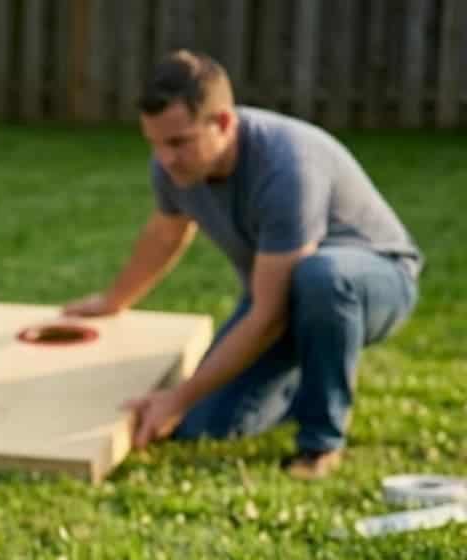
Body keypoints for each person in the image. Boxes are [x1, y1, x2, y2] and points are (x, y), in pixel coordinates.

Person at [64, 50, 421, 478]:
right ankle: (301, 383)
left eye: (178, 142)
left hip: (374, 282)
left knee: (321, 279)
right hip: (287, 294)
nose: (164, 158)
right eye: (154, 143)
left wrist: (177, 396)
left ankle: (321, 442)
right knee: (204, 426)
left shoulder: (287, 166)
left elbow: (268, 316)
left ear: (225, 123)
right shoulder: (174, 166)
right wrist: (113, 300)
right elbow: (166, 234)